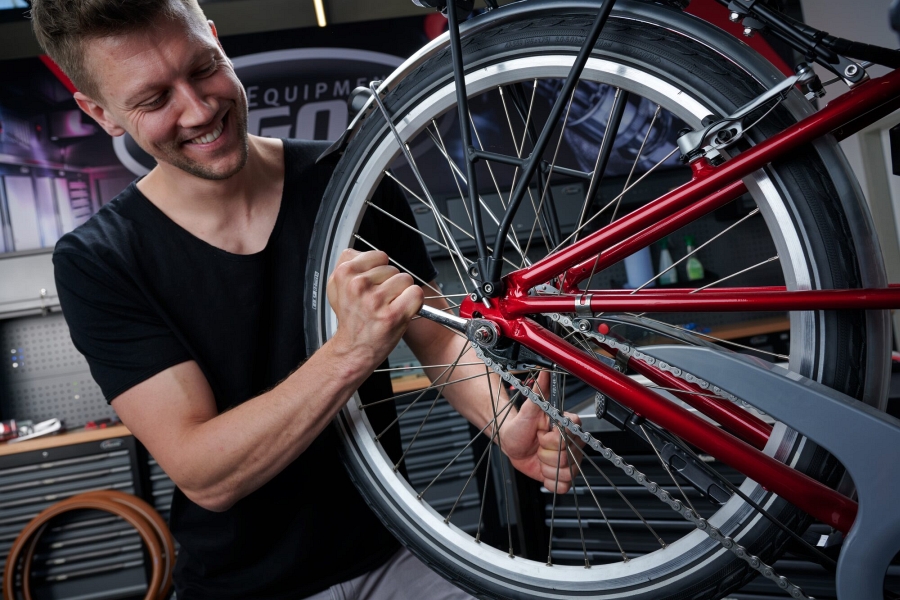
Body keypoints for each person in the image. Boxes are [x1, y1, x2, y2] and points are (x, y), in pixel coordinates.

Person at [31, 0, 581, 597]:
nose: (199, 109)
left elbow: (439, 338)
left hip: (394, 550)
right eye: (154, 99)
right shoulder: (100, 260)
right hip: (245, 587)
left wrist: (507, 421)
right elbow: (205, 473)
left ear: (216, 39)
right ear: (100, 112)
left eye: (203, 68)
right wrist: (351, 351)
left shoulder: (347, 179)